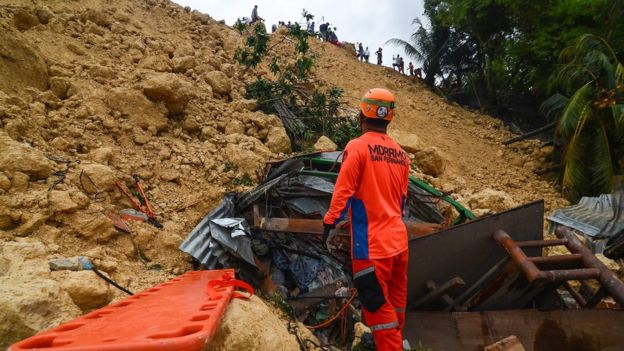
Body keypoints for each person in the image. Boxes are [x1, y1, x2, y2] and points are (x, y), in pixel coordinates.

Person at [323, 88, 409, 351]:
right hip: (399, 243)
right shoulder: (401, 155)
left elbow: (344, 192)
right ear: (389, 118)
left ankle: (389, 345)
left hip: (371, 247)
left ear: (361, 115)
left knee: (376, 307)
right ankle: (393, 339)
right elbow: (401, 203)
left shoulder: (357, 147)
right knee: (395, 302)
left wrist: (329, 223)